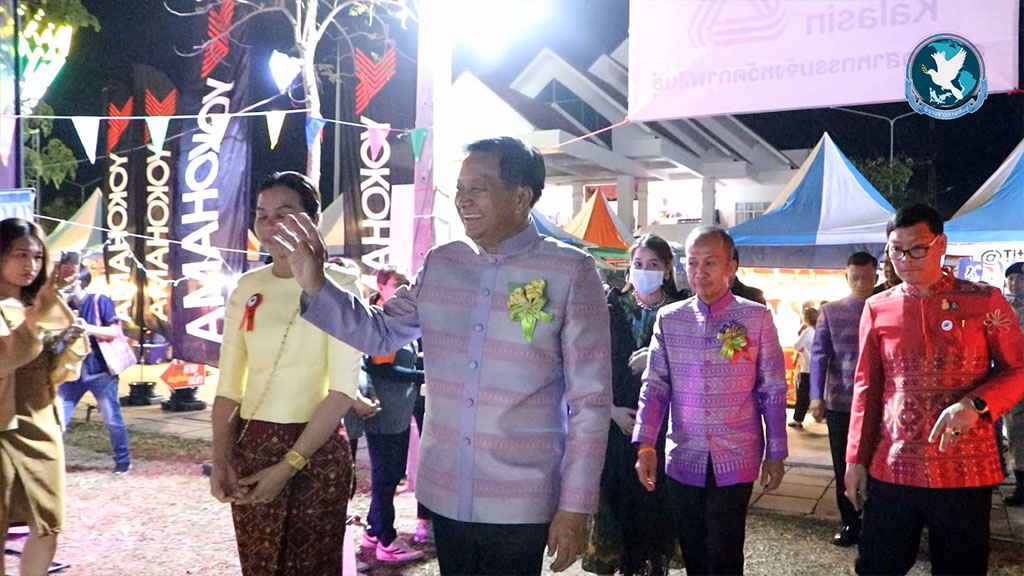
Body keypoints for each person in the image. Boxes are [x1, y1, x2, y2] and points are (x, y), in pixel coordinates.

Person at [274, 136, 612, 575]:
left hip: (522, 496)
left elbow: (590, 401)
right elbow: (379, 333)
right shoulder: (441, 263)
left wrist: (576, 505)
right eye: (460, 188)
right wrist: (315, 283)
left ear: (521, 197)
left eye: (479, 188)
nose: (463, 200)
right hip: (446, 489)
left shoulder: (570, 270)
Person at [845, 203, 1024, 575]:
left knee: (960, 567)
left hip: (965, 468)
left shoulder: (984, 300)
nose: (905, 260)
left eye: (917, 249)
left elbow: (1018, 369)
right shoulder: (878, 307)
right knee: (877, 565)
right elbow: (867, 387)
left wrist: (976, 404)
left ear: (940, 244)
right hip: (893, 465)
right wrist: (855, 460)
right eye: (896, 250)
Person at [209, 172, 372, 576]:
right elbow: (229, 387)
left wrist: (288, 465)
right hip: (254, 447)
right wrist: (220, 460)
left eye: (284, 214)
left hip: (316, 451)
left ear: (313, 221)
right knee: (259, 565)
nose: (270, 225)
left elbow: (341, 390)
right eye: (262, 215)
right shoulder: (247, 286)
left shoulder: (342, 285)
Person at [634, 226, 787, 576]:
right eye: (692, 263)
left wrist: (776, 452)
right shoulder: (670, 319)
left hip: (737, 452)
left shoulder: (756, 317)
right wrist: (645, 445)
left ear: (731, 267)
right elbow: (654, 386)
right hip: (683, 453)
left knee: (725, 551)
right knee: (693, 550)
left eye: (710, 263)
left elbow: (773, 389)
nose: (699, 272)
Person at [582, 234, 682, 576]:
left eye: (653, 265)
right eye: (638, 264)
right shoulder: (608, 306)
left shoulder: (681, 310)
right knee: (615, 502)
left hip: (664, 427)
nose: (644, 271)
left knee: (655, 506)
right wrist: (609, 410)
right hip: (615, 425)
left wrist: (657, 358)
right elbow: (589, 364)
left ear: (667, 269)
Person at [0, 217, 86, 576]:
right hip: (3, 424)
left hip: (41, 416)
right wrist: (40, 316)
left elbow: (56, 370)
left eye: (37, 256)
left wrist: (67, 339)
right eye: (21, 254)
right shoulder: (33, 309)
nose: (31, 265)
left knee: (49, 520)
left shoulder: (38, 304)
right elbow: (7, 357)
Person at [807, 251, 878, 547]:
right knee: (843, 464)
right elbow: (819, 355)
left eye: (866, 278)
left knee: (877, 465)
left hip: (879, 404)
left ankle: (876, 523)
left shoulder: (885, 306)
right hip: (840, 401)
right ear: (846, 277)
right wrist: (816, 396)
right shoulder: (831, 311)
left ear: (875, 277)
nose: (860, 283)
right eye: (854, 278)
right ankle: (850, 522)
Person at [358, 267, 426, 563]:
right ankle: (387, 540)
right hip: (384, 412)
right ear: (381, 286)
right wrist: (422, 376)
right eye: (397, 284)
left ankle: (374, 532)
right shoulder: (383, 322)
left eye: (406, 284)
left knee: (389, 475)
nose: (403, 289)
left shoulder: (399, 321)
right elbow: (381, 367)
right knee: (386, 477)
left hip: (397, 412)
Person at [58, 265, 132, 474]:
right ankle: (51, 463)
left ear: (80, 281)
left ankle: (123, 460)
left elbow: (114, 331)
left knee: (112, 419)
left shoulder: (99, 301)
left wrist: (87, 328)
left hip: (100, 371)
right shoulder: (61, 305)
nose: (65, 285)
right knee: (58, 420)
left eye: (69, 280)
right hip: (71, 371)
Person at [1002, 261, 1024, 506]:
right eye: (1011, 278)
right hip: (1013, 380)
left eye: (1021, 279)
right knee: (1016, 432)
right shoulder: (1003, 309)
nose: (1015, 283)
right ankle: (1021, 485)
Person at [788, 306, 818, 430]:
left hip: (806, 367)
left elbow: (797, 346)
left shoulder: (807, 331)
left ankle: (798, 419)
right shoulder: (818, 330)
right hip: (816, 367)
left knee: (803, 394)